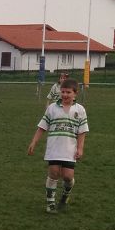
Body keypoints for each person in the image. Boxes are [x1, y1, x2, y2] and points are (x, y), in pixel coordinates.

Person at [27, 77, 89, 213]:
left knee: (68, 177)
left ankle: (66, 194)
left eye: (68, 92)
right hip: (54, 148)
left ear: (75, 93)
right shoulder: (52, 108)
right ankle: (50, 204)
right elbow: (42, 127)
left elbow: (82, 131)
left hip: (69, 149)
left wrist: (80, 148)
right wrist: (34, 142)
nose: (65, 95)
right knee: (54, 173)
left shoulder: (80, 110)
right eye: (63, 92)